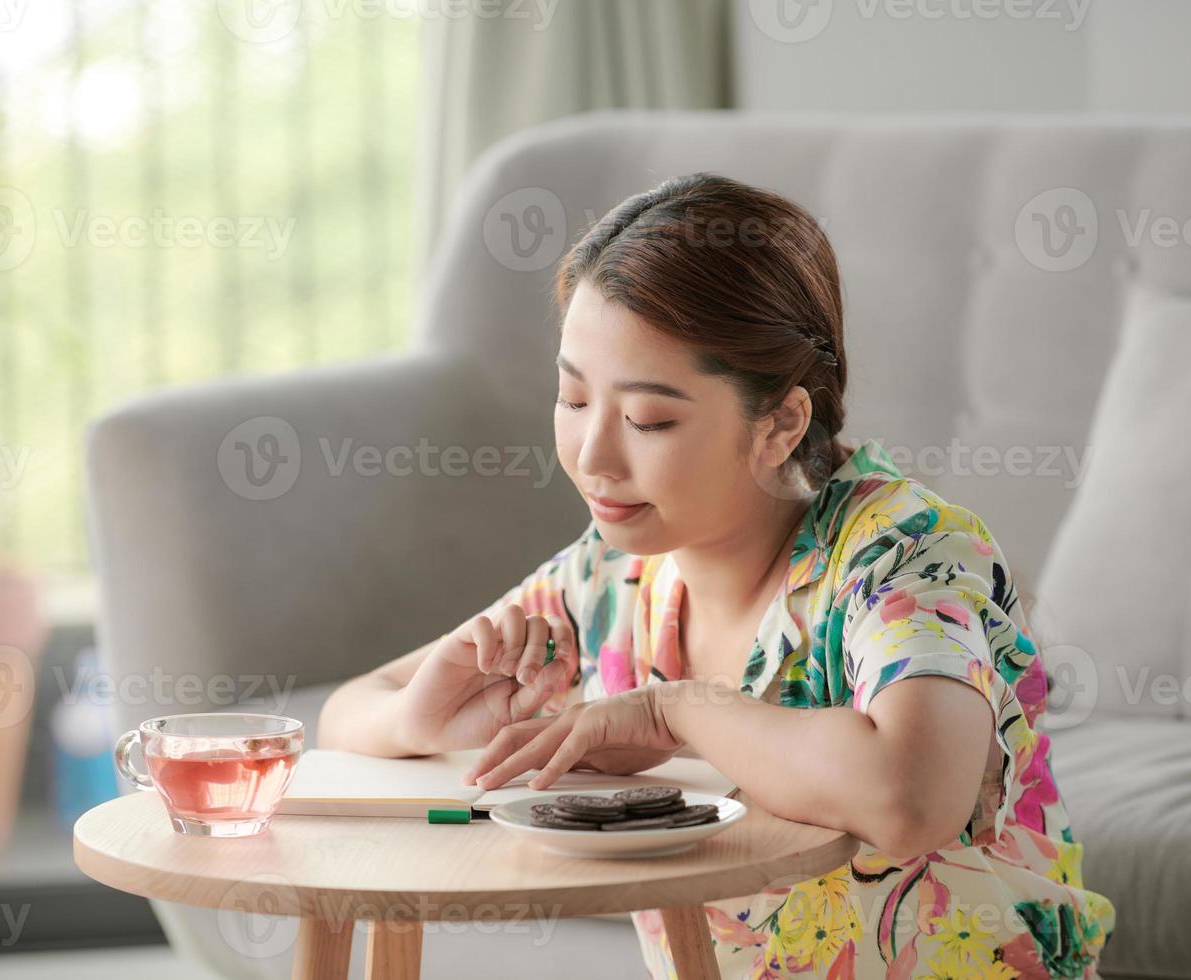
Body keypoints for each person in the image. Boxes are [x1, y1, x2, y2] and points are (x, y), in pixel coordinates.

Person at [318, 172, 1117, 978]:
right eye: (572, 399)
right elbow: (350, 712)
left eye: (647, 420)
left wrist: (678, 711)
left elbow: (910, 796)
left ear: (780, 424)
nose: (593, 457)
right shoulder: (607, 583)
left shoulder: (905, 553)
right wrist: (420, 722)